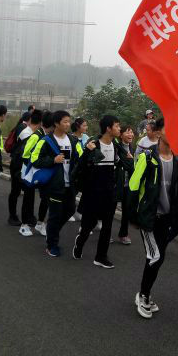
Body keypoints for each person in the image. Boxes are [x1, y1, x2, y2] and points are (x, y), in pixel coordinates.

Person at [128, 120, 178, 318]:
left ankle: (145, 294)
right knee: (156, 256)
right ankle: (143, 295)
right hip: (149, 217)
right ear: (158, 133)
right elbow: (133, 186)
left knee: (158, 257)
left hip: (166, 218)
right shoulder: (148, 158)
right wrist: (134, 216)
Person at [28, 109, 83, 257]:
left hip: (69, 184)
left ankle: (52, 232)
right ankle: (51, 245)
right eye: (65, 121)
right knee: (54, 214)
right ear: (56, 123)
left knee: (70, 209)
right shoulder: (46, 141)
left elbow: (80, 158)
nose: (68, 124)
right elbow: (34, 159)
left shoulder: (72, 140)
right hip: (54, 185)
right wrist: (52, 160)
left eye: (68, 121)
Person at [72, 115, 124, 268]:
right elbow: (81, 166)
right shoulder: (94, 144)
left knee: (107, 226)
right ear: (108, 128)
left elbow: (123, 165)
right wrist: (87, 152)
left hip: (109, 191)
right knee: (89, 224)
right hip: (93, 191)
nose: (119, 129)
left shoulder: (116, 146)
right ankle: (80, 243)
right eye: (117, 126)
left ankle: (100, 257)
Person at [18, 110, 47, 236]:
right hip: (29, 172)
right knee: (28, 198)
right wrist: (37, 162)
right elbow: (25, 155)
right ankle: (24, 225)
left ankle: (38, 222)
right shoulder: (35, 136)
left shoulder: (43, 135)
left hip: (39, 172)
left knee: (43, 198)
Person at [6, 111, 33, 226]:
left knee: (22, 191)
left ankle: (26, 217)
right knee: (16, 191)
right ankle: (12, 216)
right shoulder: (24, 130)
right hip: (18, 164)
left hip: (18, 163)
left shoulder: (24, 127)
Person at [116, 124, 136, 244]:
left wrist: (131, 161)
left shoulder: (132, 148)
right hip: (117, 183)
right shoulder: (117, 148)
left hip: (128, 184)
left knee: (127, 210)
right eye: (128, 132)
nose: (131, 134)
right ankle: (104, 230)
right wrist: (128, 160)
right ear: (121, 134)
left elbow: (133, 168)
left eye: (132, 132)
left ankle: (123, 234)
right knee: (109, 208)